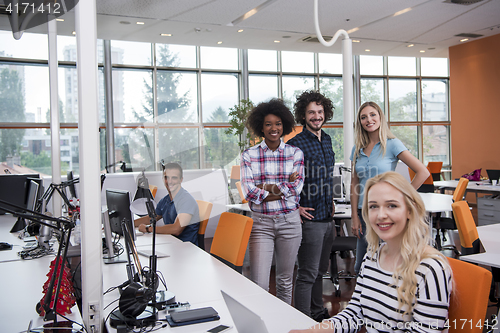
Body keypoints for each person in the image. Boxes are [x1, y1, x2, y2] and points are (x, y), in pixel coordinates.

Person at [289, 171, 453, 332]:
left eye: (392, 205)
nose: (381, 215)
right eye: (373, 206)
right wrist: (314, 331)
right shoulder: (373, 256)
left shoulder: (430, 269)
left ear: (410, 210)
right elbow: (355, 313)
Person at [350, 101, 430, 274]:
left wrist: (403, 196)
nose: (368, 120)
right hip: (364, 213)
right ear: (360, 122)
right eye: (363, 117)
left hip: (386, 212)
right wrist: (354, 216)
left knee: (389, 265)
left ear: (380, 117)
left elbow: (423, 172)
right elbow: (354, 184)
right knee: (361, 267)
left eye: (372, 115)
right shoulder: (357, 149)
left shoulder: (392, 144)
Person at [240, 98, 304, 305]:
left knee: (285, 281)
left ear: (284, 125)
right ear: (261, 127)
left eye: (277, 123)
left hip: (290, 222)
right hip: (261, 224)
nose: (273, 128)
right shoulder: (249, 155)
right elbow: (249, 193)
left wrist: (265, 188)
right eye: (268, 124)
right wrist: (282, 187)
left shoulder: (295, 153)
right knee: (258, 283)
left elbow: (296, 188)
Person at [287, 90, 336, 321]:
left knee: (320, 272)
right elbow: (282, 180)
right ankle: (303, 319)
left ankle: (317, 313)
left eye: (320, 111)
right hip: (310, 220)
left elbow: (326, 176)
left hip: (328, 216)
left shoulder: (326, 139)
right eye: (311, 112)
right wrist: (294, 207)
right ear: (303, 116)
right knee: (307, 274)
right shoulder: (294, 145)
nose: (316, 116)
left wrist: (332, 200)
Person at [135, 162, 200, 245]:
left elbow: (176, 229)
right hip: (171, 243)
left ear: (181, 179)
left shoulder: (186, 200)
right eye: (166, 177)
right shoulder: (165, 200)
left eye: (174, 178)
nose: (169, 181)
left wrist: (148, 229)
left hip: (185, 247)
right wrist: (129, 223)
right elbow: (151, 218)